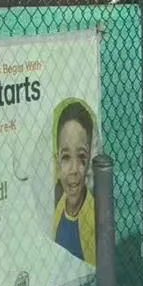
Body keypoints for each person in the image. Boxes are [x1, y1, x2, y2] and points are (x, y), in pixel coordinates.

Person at [51, 100, 96, 267]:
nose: (74, 170)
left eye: (82, 156)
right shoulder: (56, 210)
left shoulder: (94, 219)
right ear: (57, 162)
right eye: (66, 157)